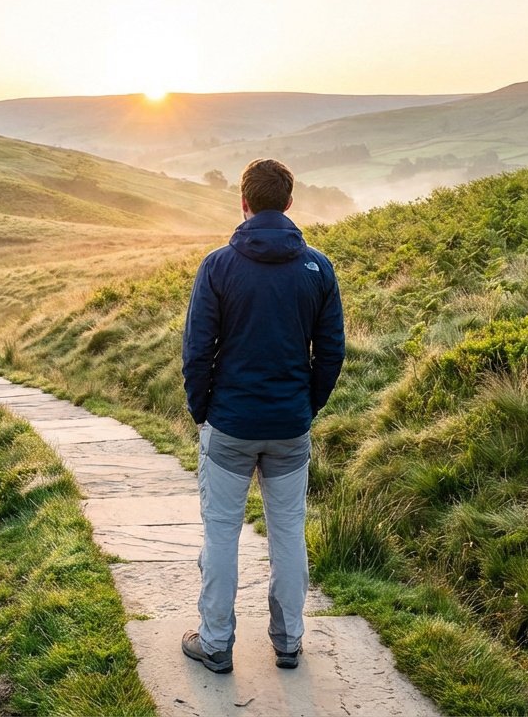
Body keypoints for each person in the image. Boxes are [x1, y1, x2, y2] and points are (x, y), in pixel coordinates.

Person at [179, 158, 345, 673]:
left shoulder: (218, 266)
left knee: (221, 533)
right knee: (288, 534)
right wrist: (305, 407)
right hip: (289, 428)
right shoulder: (318, 266)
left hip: (230, 423)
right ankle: (289, 642)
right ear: (290, 203)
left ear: (243, 202)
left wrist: (202, 411)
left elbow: (196, 350)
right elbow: (332, 352)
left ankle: (216, 642)